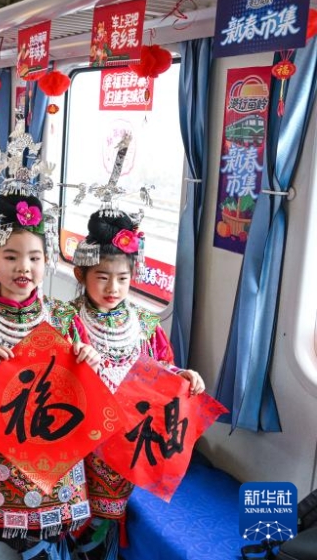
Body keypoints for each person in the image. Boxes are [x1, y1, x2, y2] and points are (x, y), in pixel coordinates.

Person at [0, 123, 98, 559]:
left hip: (49, 441)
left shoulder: (64, 317)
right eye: (10, 257)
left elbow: (85, 387)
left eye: (34, 257)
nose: (23, 268)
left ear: (46, 260)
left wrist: (87, 359)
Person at [67, 136, 204, 557]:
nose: (113, 288)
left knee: (111, 519)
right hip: (78, 432)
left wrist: (183, 376)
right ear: (82, 275)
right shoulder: (65, 320)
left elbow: (159, 373)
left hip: (127, 433)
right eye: (102, 277)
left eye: (123, 279)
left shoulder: (144, 323)